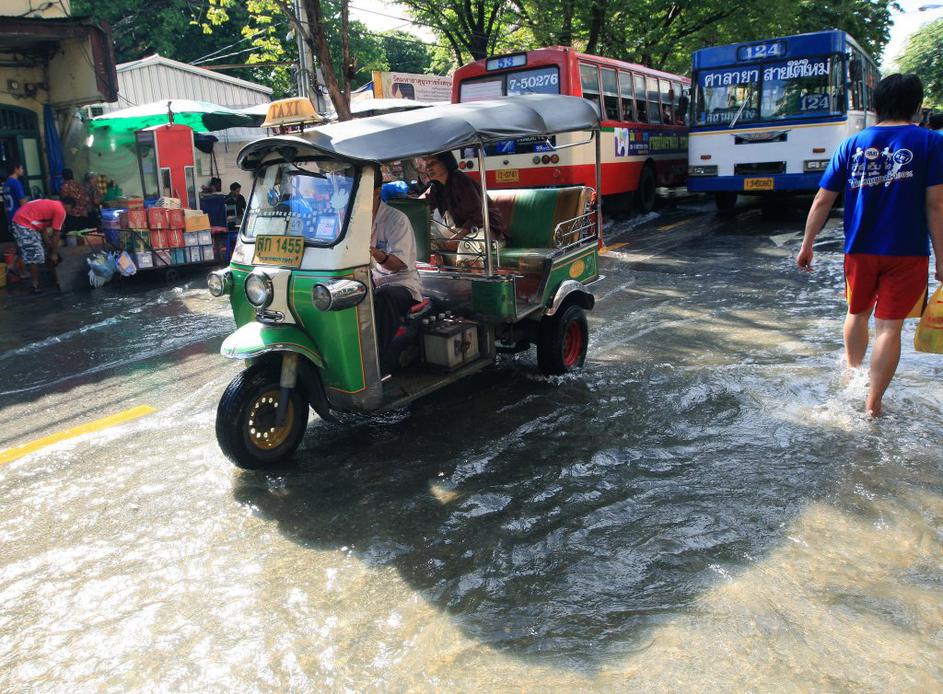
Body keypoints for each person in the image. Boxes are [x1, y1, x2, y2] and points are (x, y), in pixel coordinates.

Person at [796, 73, 943, 417]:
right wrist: (942, 258)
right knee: (889, 327)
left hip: (859, 249)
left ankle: (852, 373)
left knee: (856, 313)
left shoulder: (852, 143)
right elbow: (936, 205)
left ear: (876, 106)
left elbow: (822, 200)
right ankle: (873, 404)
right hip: (907, 251)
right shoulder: (931, 143)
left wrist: (807, 244)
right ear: (917, 107)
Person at [370, 166, 422, 365]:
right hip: (370, 281)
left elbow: (398, 265)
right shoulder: (350, 219)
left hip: (402, 284)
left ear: (376, 191)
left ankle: (375, 361)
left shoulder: (396, 220)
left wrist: (375, 253)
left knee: (384, 297)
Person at [419, 152, 508, 253]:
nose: (428, 168)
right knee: (422, 238)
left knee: (466, 245)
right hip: (461, 230)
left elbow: (478, 217)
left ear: (446, 162)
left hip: (486, 229)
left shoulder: (461, 181)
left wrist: (458, 237)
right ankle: (437, 267)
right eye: (426, 165)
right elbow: (422, 205)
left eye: (432, 163)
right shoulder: (436, 187)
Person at [11, 196, 73, 293]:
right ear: (68, 206)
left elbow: (42, 228)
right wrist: (54, 253)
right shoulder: (61, 210)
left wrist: (49, 245)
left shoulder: (52, 204)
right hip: (23, 223)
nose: (70, 212)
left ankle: (13, 266)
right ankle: (35, 285)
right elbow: (56, 234)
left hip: (20, 220)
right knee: (35, 254)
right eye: (70, 210)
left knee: (38, 250)